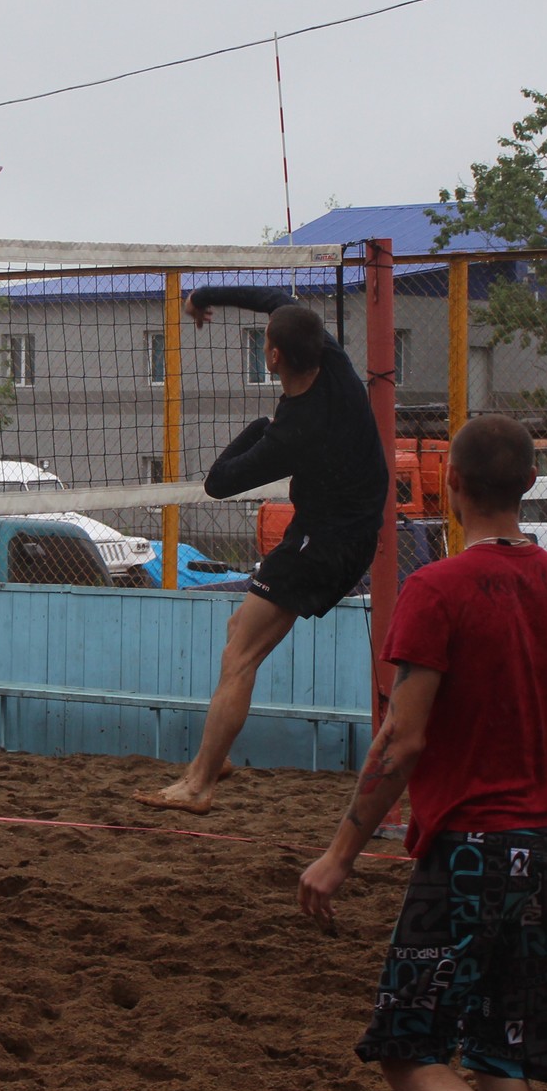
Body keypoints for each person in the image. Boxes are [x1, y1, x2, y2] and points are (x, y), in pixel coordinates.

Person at [298, 416, 547, 1091]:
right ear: (530, 484)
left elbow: (401, 739)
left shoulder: (436, 588)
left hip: (475, 848)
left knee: (407, 1047)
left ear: (452, 484)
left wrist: (339, 855)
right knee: (502, 1058)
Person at [134, 286, 388, 814]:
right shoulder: (334, 363)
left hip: (326, 544)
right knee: (238, 634)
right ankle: (217, 754)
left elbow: (218, 482)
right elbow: (275, 300)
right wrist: (205, 295)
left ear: (272, 357)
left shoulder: (293, 432)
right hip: (343, 524)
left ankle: (199, 783)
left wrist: (258, 428)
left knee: (240, 655)